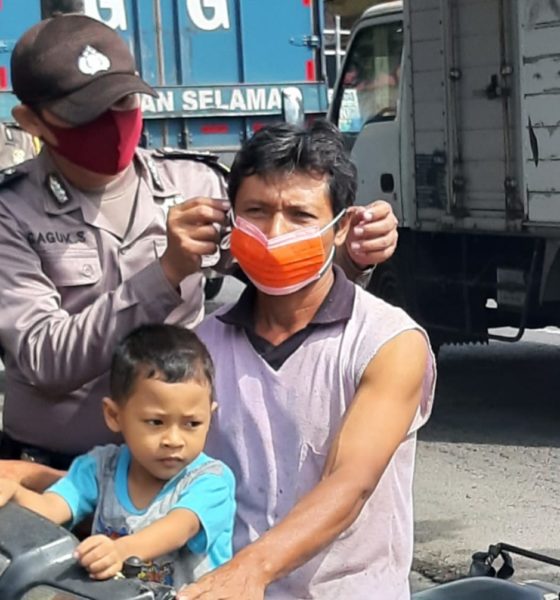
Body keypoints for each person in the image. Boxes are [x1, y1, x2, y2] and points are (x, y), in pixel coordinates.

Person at [0, 13, 398, 488]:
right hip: (52, 472)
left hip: (175, 471)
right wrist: (166, 272)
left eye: (122, 101)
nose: (110, 121)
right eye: (86, 112)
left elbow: (283, 285)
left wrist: (349, 254)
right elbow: (45, 359)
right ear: (31, 121)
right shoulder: (12, 212)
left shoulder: (193, 183)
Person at [179, 120, 436, 600]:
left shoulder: (387, 340)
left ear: (341, 229)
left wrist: (251, 570)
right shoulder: (201, 347)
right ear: (231, 221)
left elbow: (351, 482)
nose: (274, 233)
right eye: (256, 212)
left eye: (300, 215)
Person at [0, 324, 236, 589]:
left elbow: (180, 527)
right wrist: (15, 494)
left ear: (210, 417)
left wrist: (120, 550)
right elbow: (52, 508)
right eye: (156, 422)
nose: (174, 440)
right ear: (114, 415)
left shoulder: (210, 481)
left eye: (192, 424)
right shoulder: (101, 468)